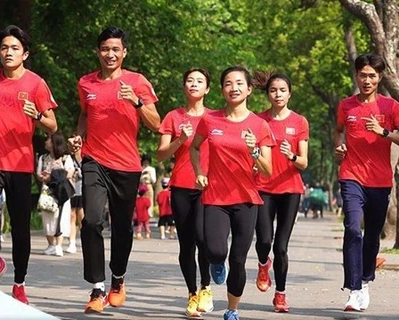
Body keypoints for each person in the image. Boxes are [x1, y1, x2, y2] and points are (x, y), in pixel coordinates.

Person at [70, 26, 160, 314]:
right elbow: (85, 114)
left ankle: (117, 279)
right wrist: (78, 136)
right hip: (94, 160)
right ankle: (97, 287)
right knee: (92, 221)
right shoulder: (86, 83)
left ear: (124, 52)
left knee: (122, 228)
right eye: (105, 49)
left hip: (127, 165)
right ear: (98, 52)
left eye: (115, 49)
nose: (110, 54)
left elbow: (156, 123)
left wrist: (136, 101)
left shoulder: (138, 82)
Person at [0, 25, 58, 304]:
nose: (8, 52)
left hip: (20, 165)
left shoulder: (36, 84)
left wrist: (37, 116)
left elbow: (52, 126)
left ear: (25, 53)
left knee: (21, 229)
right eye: (4, 48)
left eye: (14, 48)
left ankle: (19, 284)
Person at [191, 65, 275, 320]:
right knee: (215, 251)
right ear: (222, 89)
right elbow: (195, 148)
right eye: (228, 83)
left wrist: (255, 151)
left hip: (246, 199)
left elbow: (268, 170)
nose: (234, 88)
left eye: (239, 83)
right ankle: (217, 263)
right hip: (216, 196)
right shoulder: (210, 119)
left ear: (249, 89)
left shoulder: (259, 125)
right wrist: (199, 171)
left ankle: (232, 309)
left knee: (238, 259)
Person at [334, 53, 399, 312]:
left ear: (380, 77)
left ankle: (365, 278)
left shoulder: (391, 107)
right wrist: (338, 146)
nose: (367, 80)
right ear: (357, 75)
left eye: (372, 75)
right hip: (351, 175)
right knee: (352, 228)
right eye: (363, 75)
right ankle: (353, 289)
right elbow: (339, 130)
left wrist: (383, 132)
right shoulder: (346, 106)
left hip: (380, 179)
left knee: (372, 235)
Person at [156, 68, 213, 317]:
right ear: (184, 87)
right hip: (180, 186)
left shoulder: (215, 118)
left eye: (199, 81)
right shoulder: (172, 116)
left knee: (204, 239)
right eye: (190, 80)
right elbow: (160, 155)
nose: (194, 84)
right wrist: (179, 140)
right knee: (187, 245)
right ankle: (192, 294)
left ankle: (206, 287)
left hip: (207, 188)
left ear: (208, 89)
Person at [253, 72, 309, 312]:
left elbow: (304, 162)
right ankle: (263, 263)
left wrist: (291, 155)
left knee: (282, 246)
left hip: (290, 189)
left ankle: (281, 294)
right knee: (264, 240)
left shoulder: (299, 122)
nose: (278, 94)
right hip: (263, 187)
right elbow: (250, 154)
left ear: (290, 93)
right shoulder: (258, 121)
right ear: (268, 94)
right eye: (273, 90)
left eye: (282, 90)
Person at [36, 132, 74, 257]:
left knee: (61, 217)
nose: (46, 142)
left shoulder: (65, 158)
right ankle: (51, 244)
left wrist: (52, 176)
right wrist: (44, 177)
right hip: (47, 192)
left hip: (61, 192)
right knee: (47, 217)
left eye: (48, 139)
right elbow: (39, 174)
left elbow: (70, 172)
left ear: (53, 142)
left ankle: (58, 245)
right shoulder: (43, 158)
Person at [67, 144, 84, 254]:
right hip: (72, 191)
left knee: (82, 217)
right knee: (72, 216)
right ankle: (71, 242)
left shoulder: (84, 158)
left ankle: (85, 240)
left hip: (83, 190)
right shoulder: (69, 159)